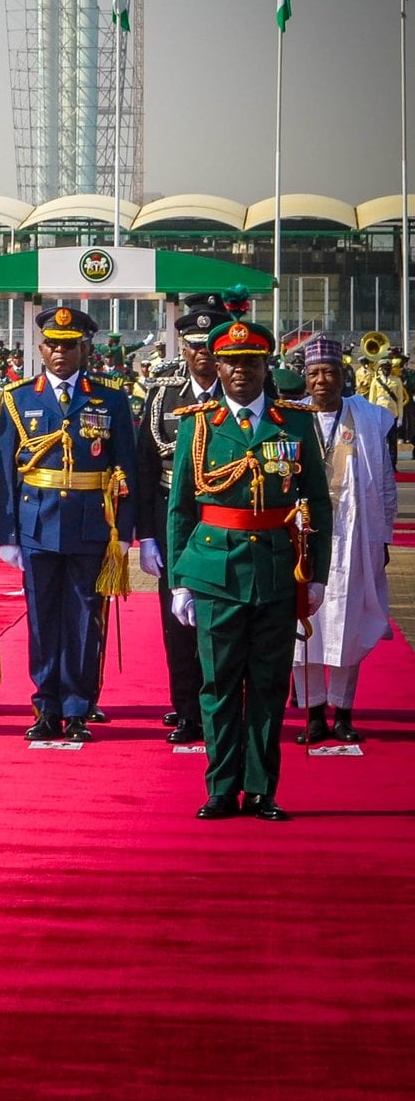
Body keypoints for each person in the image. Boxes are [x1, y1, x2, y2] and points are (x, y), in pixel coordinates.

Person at [166, 318, 331, 822]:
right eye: (232, 363)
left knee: (268, 683)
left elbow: (317, 504)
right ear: (217, 367)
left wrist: (317, 573)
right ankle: (221, 788)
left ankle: (260, 789)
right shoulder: (198, 424)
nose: (242, 371)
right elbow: (180, 509)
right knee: (216, 685)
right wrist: (178, 581)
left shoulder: (295, 424)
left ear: (267, 367)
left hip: (278, 570)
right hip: (214, 568)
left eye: (252, 362)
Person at [0, 306, 139, 743]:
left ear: (85, 348)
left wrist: (124, 532)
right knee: (41, 618)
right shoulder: (19, 398)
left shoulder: (109, 398)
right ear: (40, 349)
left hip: (90, 523)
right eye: (52, 346)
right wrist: (9, 534)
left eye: (69, 345)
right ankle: (46, 704)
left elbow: (126, 467)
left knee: (82, 616)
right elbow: (4, 471)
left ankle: (77, 705)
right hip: (37, 521)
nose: (60, 353)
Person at [291, 335, 394, 745]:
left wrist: (383, 535)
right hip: (301, 536)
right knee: (306, 621)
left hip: (354, 535)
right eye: (315, 373)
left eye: (330, 372)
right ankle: (314, 712)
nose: (322, 381)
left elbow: (384, 481)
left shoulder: (369, 418)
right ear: (305, 377)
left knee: (349, 622)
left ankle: (344, 711)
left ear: (342, 375)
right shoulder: (291, 417)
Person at [133, 302, 228, 744]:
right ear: (184, 350)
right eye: (194, 346)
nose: (203, 354)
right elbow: (145, 467)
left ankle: (223, 706)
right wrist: (147, 535)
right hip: (174, 515)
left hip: (225, 517)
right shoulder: (164, 396)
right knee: (178, 619)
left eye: (210, 346)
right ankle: (187, 708)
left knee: (224, 618)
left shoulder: (239, 391)